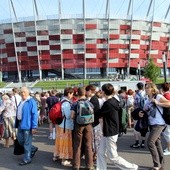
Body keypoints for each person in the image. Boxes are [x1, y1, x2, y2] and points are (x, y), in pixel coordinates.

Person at [96, 83, 138, 170]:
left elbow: (98, 114)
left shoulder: (108, 104)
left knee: (113, 157)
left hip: (110, 131)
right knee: (100, 153)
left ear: (103, 92)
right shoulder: (115, 101)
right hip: (110, 130)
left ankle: (132, 167)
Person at [143, 82, 170, 170]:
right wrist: (141, 113)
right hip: (151, 124)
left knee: (150, 142)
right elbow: (146, 111)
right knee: (157, 143)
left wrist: (158, 103)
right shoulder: (147, 99)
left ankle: (156, 165)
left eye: (147, 88)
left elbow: (169, 103)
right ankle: (161, 165)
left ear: (152, 89)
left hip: (159, 123)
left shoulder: (158, 97)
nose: (146, 89)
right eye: (145, 88)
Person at [71, 87, 94, 170]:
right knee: (88, 144)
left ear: (78, 93)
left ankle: (76, 165)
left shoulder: (75, 104)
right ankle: (90, 165)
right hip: (88, 125)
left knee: (77, 144)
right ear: (85, 93)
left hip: (78, 125)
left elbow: (72, 116)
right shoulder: (90, 103)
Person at [16, 87, 38, 166]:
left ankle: (27, 159)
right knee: (20, 140)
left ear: (28, 92)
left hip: (27, 125)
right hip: (20, 124)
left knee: (26, 143)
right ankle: (32, 148)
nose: (22, 93)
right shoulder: (21, 101)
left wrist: (34, 127)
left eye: (24, 92)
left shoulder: (31, 101)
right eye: (21, 92)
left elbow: (34, 114)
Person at [53, 87, 74, 166]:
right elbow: (68, 116)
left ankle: (56, 155)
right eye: (71, 94)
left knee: (59, 140)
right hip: (66, 125)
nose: (72, 96)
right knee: (65, 142)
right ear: (68, 94)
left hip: (60, 124)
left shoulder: (61, 101)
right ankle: (64, 159)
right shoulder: (66, 103)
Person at [131, 82, 147, 148]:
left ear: (137, 87)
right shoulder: (145, 94)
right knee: (144, 127)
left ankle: (137, 142)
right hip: (145, 112)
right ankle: (143, 143)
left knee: (136, 127)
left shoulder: (136, 95)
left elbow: (135, 104)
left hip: (137, 112)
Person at [160, 82, 170, 156]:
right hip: (168, 116)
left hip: (167, 117)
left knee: (167, 134)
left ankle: (169, 149)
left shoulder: (165, 96)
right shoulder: (168, 94)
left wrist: (158, 103)